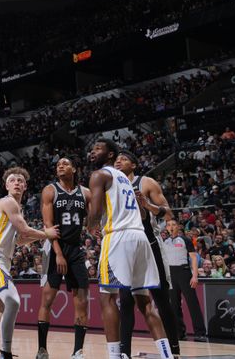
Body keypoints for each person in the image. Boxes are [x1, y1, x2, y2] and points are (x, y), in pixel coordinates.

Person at [85, 138, 173, 359]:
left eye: (98, 148)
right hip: (140, 237)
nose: (92, 152)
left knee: (107, 297)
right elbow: (143, 215)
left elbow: (94, 213)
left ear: (111, 155)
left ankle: (115, 355)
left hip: (118, 237)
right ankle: (166, 355)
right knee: (144, 302)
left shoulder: (99, 175)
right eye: (91, 149)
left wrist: (89, 228)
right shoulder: (125, 178)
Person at [0, 167, 59, 359]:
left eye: (20, 180)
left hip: (1, 260)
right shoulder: (8, 202)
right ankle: (5, 352)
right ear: (6, 185)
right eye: (12, 180)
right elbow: (24, 229)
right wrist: (47, 233)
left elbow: (20, 239)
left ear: (26, 186)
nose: (17, 183)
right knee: (13, 300)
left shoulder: (17, 208)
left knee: (3, 307)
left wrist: (41, 237)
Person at [113, 151, 182, 356]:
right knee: (125, 300)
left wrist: (146, 205)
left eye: (123, 159)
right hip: (125, 247)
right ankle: (124, 352)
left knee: (161, 298)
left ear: (133, 165)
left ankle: (174, 350)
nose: (118, 161)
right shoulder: (111, 186)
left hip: (150, 244)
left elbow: (168, 213)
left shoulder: (147, 182)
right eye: (116, 159)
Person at [36, 157, 91, 359]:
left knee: (82, 300)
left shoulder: (85, 193)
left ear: (74, 169)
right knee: (47, 299)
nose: (61, 165)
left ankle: (78, 351)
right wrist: (59, 253)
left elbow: (93, 218)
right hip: (55, 248)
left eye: (66, 163)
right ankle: (42, 349)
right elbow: (49, 227)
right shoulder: (50, 190)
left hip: (76, 249)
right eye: (58, 164)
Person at [163, 219, 208, 342]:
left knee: (192, 303)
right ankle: (179, 333)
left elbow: (194, 258)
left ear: (178, 226)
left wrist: (195, 276)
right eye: (168, 225)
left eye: (173, 224)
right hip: (170, 273)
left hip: (184, 272)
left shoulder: (185, 240)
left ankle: (200, 332)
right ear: (166, 227)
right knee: (174, 304)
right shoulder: (164, 241)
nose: (171, 227)